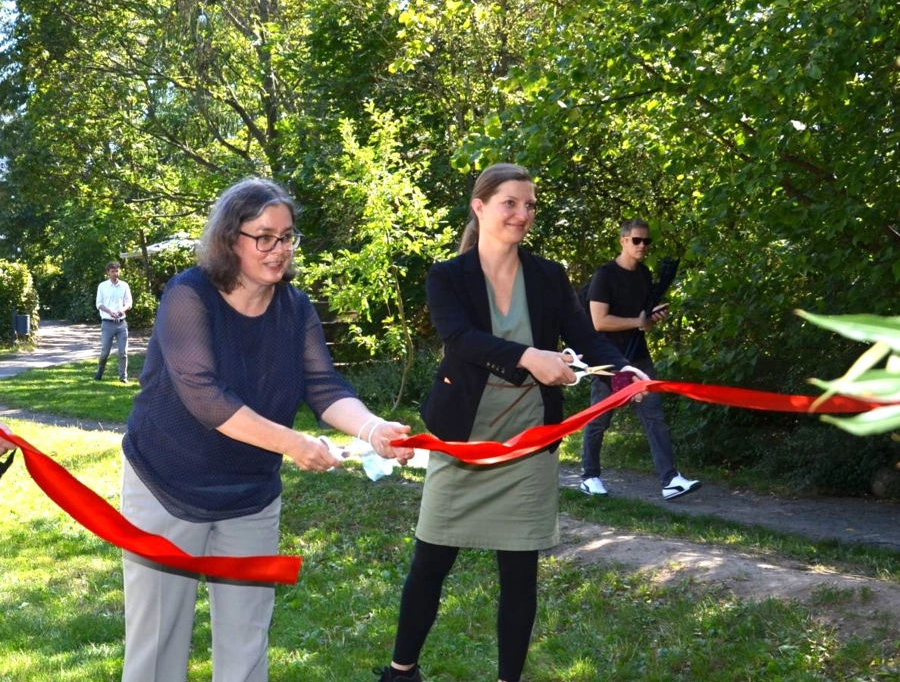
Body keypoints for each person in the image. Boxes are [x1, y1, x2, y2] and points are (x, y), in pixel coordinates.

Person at [119, 177, 414, 682]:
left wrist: (372, 429)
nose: (278, 250)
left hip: (251, 495)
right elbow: (204, 395)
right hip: (167, 484)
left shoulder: (295, 308)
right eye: (265, 237)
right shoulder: (188, 294)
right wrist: (294, 444)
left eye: (287, 237)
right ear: (230, 238)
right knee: (158, 645)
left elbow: (323, 385)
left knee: (246, 644)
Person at [377, 164, 649, 682]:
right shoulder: (448, 277)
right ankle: (401, 670)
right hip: (464, 440)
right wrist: (528, 355)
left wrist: (620, 367)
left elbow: (583, 335)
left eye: (529, 206)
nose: (522, 214)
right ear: (479, 208)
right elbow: (461, 339)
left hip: (528, 440)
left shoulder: (548, 275)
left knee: (520, 573)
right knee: (431, 561)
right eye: (510, 203)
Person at [580, 218, 700, 501]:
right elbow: (599, 321)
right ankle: (589, 476)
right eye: (637, 240)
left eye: (647, 241)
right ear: (623, 240)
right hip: (609, 358)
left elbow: (641, 320)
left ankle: (670, 480)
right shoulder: (605, 275)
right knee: (600, 417)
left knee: (654, 415)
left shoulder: (645, 275)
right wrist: (638, 320)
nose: (642, 245)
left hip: (637, 355)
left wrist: (651, 319)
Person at [94, 261, 133, 383]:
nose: (115, 273)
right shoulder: (102, 286)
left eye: (117, 271)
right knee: (105, 351)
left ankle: (123, 376)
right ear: (108, 273)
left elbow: (129, 303)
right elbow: (99, 304)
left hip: (121, 323)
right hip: (107, 322)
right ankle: (100, 371)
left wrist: (121, 311)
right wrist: (110, 312)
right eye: (113, 271)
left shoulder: (124, 286)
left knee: (123, 352)